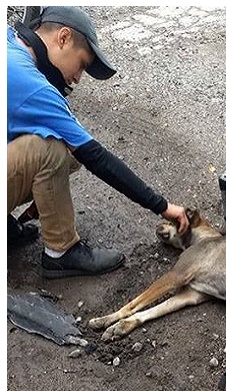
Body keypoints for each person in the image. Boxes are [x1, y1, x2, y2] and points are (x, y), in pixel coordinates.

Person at [7, 6, 188, 278]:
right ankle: (62, 253)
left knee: (59, 146)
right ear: (63, 38)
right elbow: (95, 156)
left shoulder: (9, 42)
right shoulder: (32, 85)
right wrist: (162, 206)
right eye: (82, 64)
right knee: (51, 149)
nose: (78, 79)